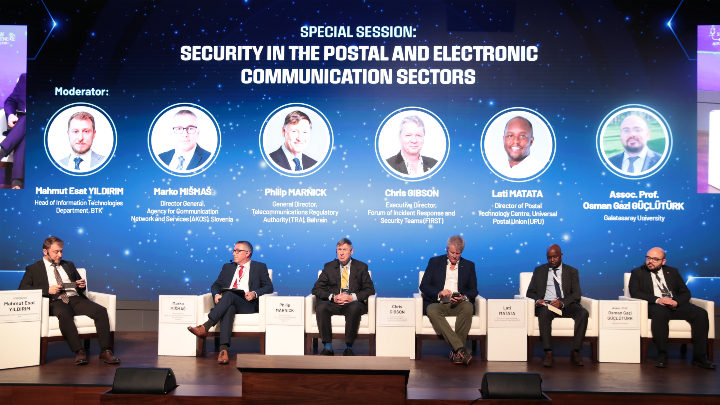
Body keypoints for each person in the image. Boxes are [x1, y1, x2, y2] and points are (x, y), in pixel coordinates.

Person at [18, 236, 120, 365]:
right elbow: (23, 288)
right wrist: (47, 290)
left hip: (75, 298)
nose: (60, 255)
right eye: (56, 252)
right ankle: (79, 351)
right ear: (45, 251)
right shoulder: (33, 268)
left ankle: (105, 352)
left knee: (101, 311)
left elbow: (79, 285)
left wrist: (81, 286)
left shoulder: (69, 265)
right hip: (55, 301)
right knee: (65, 313)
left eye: (61, 251)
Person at [187, 241, 273, 364]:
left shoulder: (259, 267)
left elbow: (269, 287)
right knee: (229, 306)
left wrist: (254, 293)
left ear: (247, 253)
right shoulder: (227, 267)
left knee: (229, 294)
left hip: (247, 304)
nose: (234, 253)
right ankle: (223, 351)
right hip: (228, 302)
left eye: (238, 251)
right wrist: (216, 294)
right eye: (234, 251)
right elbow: (216, 285)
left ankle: (205, 327)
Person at [629, 247, 715, 369]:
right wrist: (658, 300)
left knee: (701, 313)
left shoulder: (673, 271)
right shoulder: (637, 272)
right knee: (660, 313)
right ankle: (662, 354)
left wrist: (676, 302)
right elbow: (635, 293)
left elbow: (685, 293)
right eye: (648, 258)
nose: (650, 261)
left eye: (655, 259)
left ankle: (699, 356)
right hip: (655, 304)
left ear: (663, 261)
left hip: (674, 303)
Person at [525, 244, 588, 367]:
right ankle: (548, 352)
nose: (552, 260)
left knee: (583, 313)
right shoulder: (539, 270)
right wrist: (538, 300)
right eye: (549, 257)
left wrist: (562, 302)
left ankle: (575, 351)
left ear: (561, 256)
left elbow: (577, 294)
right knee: (543, 313)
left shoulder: (572, 271)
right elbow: (530, 292)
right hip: (547, 305)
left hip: (565, 304)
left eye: (555, 257)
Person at [419, 235, 478, 365]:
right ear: (447, 249)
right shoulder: (435, 262)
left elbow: (474, 290)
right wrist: (439, 293)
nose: (454, 256)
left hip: (458, 305)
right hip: (438, 303)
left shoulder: (469, 265)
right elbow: (424, 286)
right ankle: (460, 349)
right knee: (431, 310)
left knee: (468, 307)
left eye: (458, 253)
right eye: (452, 252)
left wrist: (463, 298)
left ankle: (457, 352)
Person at [312, 238, 375, 356]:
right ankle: (327, 347)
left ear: (351, 251)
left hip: (353, 303)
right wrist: (333, 297)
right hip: (334, 303)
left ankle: (348, 347)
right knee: (321, 306)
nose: (341, 253)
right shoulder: (329, 267)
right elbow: (316, 289)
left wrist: (352, 297)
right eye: (339, 249)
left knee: (354, 307)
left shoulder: (361, 267)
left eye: (344, 249)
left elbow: (370, 290)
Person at [0, 73, 26, 188]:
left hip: (40, 122)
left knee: (29, 118)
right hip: (21, 125)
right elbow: (10, 101)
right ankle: (17, 182)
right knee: (24, 133)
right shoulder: (25, 78)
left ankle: (2, 151)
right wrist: (10, 115)